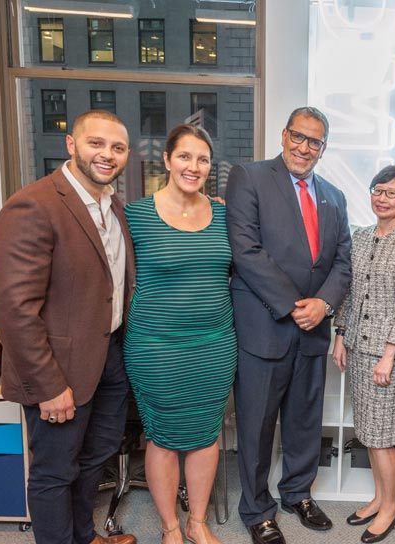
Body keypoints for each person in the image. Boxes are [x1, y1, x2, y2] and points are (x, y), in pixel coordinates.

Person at [0, 110, 136, 544]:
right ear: (72, 145)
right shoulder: (35, 204)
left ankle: (84, 535)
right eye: (96, 144)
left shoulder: (114, 205)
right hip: (58, 369)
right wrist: (49, 385)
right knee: (54, 471)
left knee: (94, 460)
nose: (106, 155)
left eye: (117, 147)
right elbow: (15, 308)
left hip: (108, 357)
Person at [225, 106, 352, 544]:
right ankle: (257, 510)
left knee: (304, 422)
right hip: (265, 326)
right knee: (257, 426)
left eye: (314, 141)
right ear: (283, 135)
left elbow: (342, 260)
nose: (304, 147)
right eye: (298, 136)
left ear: (323, 148)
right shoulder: (250, 176)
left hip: (313, 330)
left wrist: (324, 303)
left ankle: (297, 493)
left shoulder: (335, 195)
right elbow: (246, 250)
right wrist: (295, 304)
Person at [123, 124, 237, 544]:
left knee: (207, 435)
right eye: (185, 157)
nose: (194, 166)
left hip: (214, 344)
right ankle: (170, 525)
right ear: (167, 160)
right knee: (164, 437)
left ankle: (197, 522)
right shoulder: (134, 215)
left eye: (203, 159)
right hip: (156, 347)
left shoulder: (226, 214)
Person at [332, 165, 395, 543]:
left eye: (392, 193)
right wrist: (341, 335)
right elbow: (350, 290)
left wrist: (389, 354)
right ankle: (379, 497)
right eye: (378, 190)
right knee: (367, 432)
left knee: (382, 435)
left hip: (389, 352)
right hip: (357, 344)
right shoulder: (360, 237)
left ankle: (391, 508)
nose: (382, 197)